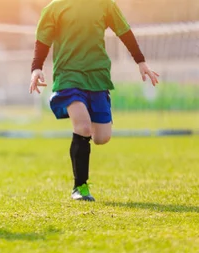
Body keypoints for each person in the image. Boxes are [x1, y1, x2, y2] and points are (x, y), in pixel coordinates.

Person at [29, 0, 159, 201]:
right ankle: (80, 187)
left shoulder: (105, 4)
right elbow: (42, 40)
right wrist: (36, 68)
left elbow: (124, 31)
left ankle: (95, 111)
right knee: (83, 127)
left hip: (98, 76)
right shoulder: (54, 8)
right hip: (68, 75)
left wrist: (141, 62)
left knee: (102, 137)